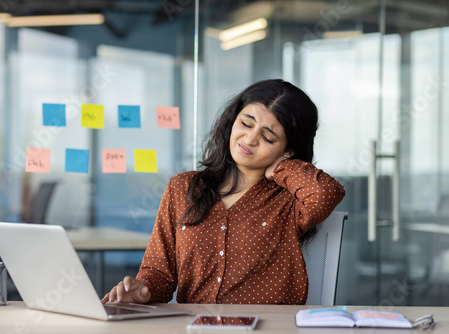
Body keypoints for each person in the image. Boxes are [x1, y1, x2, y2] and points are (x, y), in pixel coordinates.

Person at [102, 79, 345, 305]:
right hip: (197, 328)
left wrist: (279, 167)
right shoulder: (183, 188)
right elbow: (158, 274)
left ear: (289, 149)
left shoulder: (290, 201)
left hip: (269, 329)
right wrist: (141, 290)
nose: (249, 139)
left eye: (268, 137)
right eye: (246, 123)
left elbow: (325, 193)